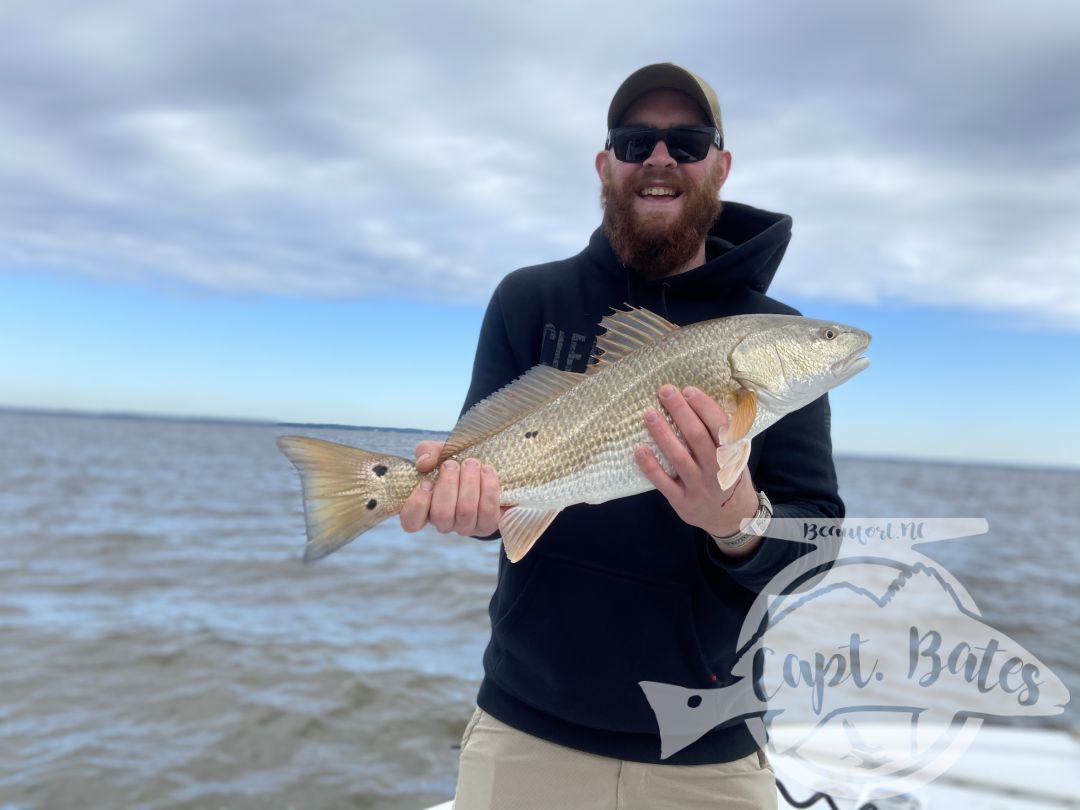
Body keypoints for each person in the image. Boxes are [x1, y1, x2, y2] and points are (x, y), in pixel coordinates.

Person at [400, 63, 843, 809]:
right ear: (606, 164)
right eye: (635, 141)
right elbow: (496, 497)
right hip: (526, 733)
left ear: (720, 165)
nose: (660, 158)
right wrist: (465, 508)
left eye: (687, 140)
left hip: (711, 752)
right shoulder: (528, 299)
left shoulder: (779, 339)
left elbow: (815, 547)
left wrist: (736, 524)